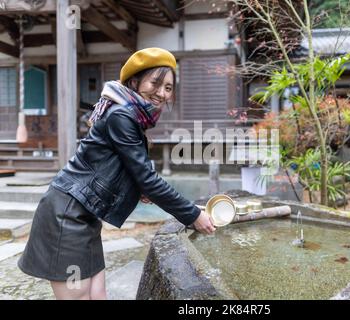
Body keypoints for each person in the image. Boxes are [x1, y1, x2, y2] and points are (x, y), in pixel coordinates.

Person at [18, 47, 216, 300]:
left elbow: (123, 166)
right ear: (135, 81)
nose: (162, 93)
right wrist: (193, 214)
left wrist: (138, 188)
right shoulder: (122, 115)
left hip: (85, 216)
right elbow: (147, 177)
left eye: (168, 87)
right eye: (155, 83)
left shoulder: (129, 114)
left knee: (98, 295)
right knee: (78, 296)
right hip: (66, 217)